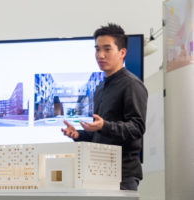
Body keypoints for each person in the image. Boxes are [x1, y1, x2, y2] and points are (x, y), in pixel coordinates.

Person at [61, 23, 148, 191]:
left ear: (122, 53)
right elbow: (99, 135)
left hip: (122, 176)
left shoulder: (131, 84)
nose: (100, 55)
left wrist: (104, 126)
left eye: (107, 49)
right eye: (97, 49)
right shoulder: (100, 89)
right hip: (99, 173)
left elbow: (137, 128)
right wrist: (79, 134)